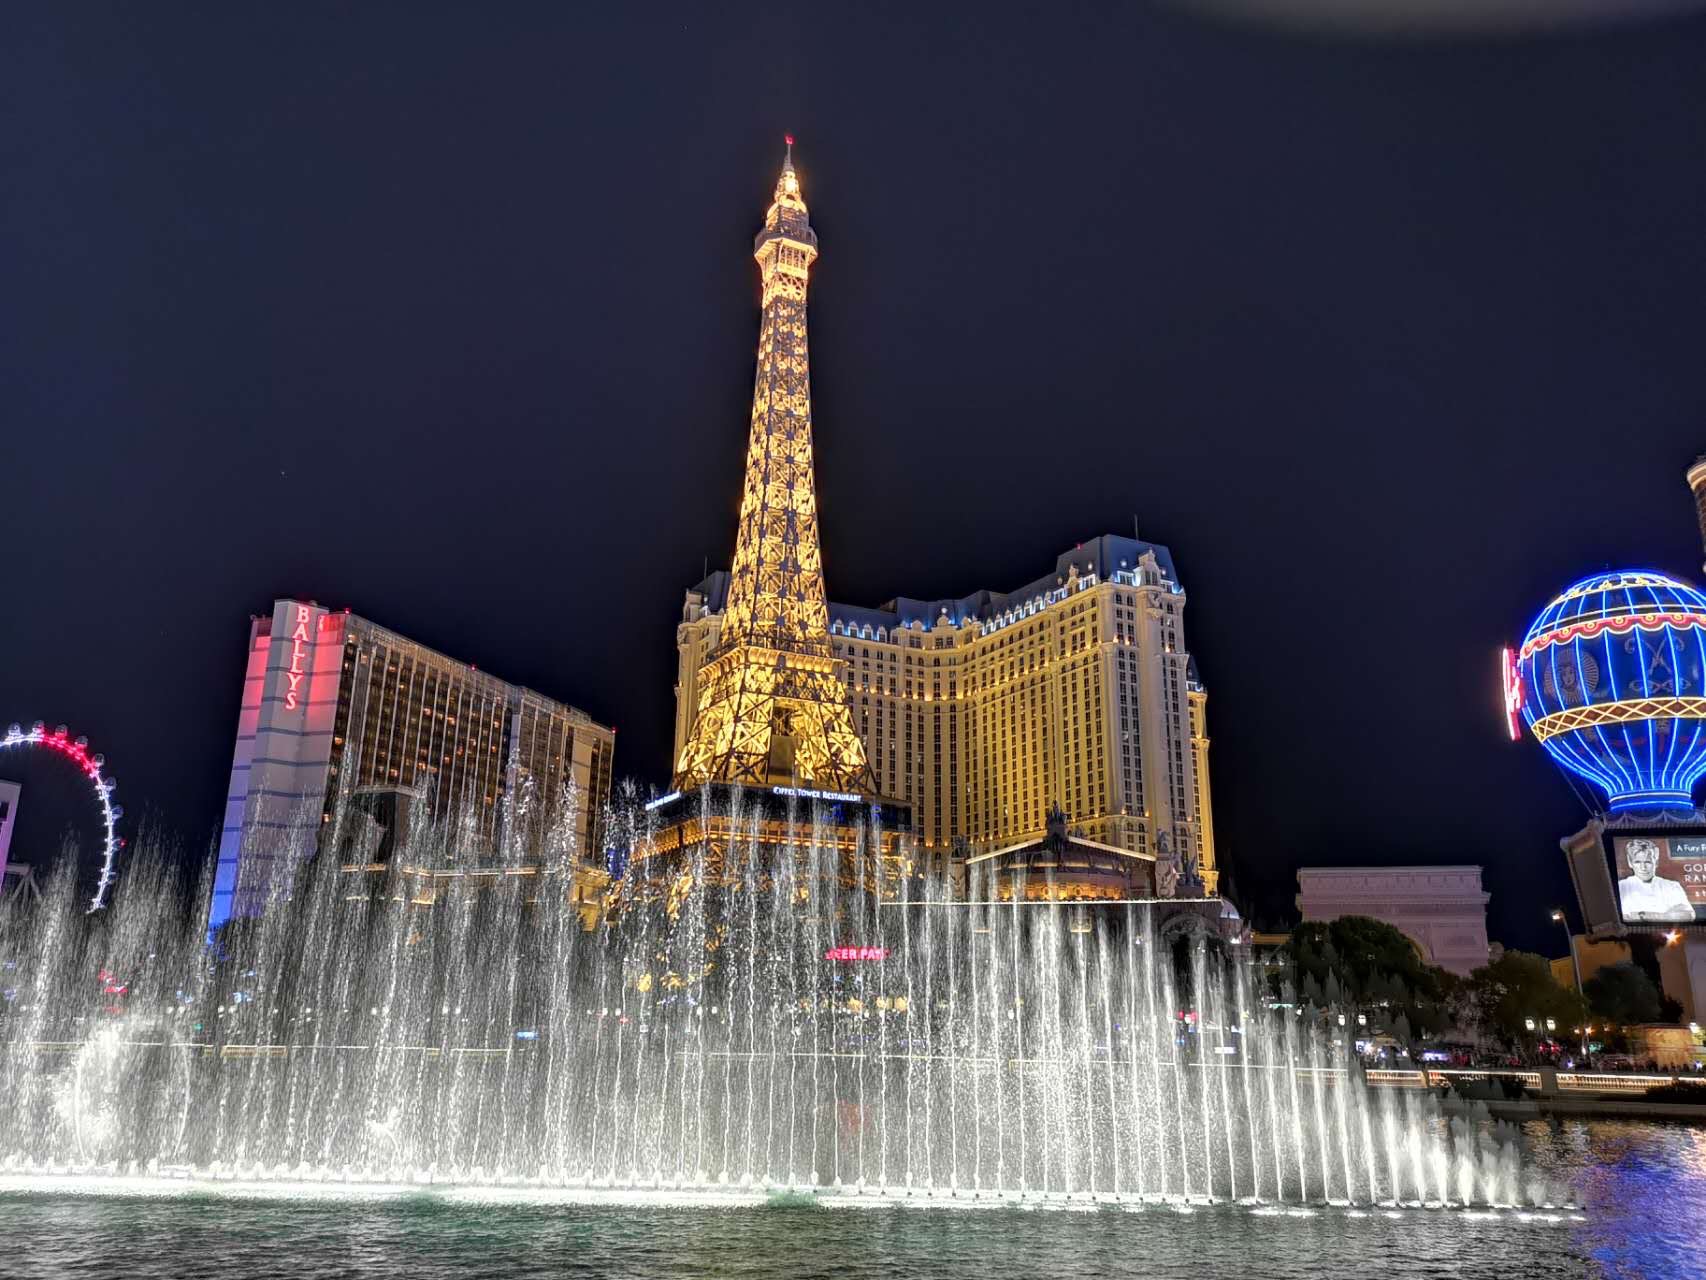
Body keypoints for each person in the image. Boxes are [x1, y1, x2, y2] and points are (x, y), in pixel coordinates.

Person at [1617, 838, 1695, 923]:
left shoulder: (1671, 886)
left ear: (1656, 862)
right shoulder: (1620, 887)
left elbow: (1689, 915)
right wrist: (1667, 915)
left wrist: (1643, 915)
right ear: (1630, 862)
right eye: (1637, 862)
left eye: (1648, 862)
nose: (1643, 868)